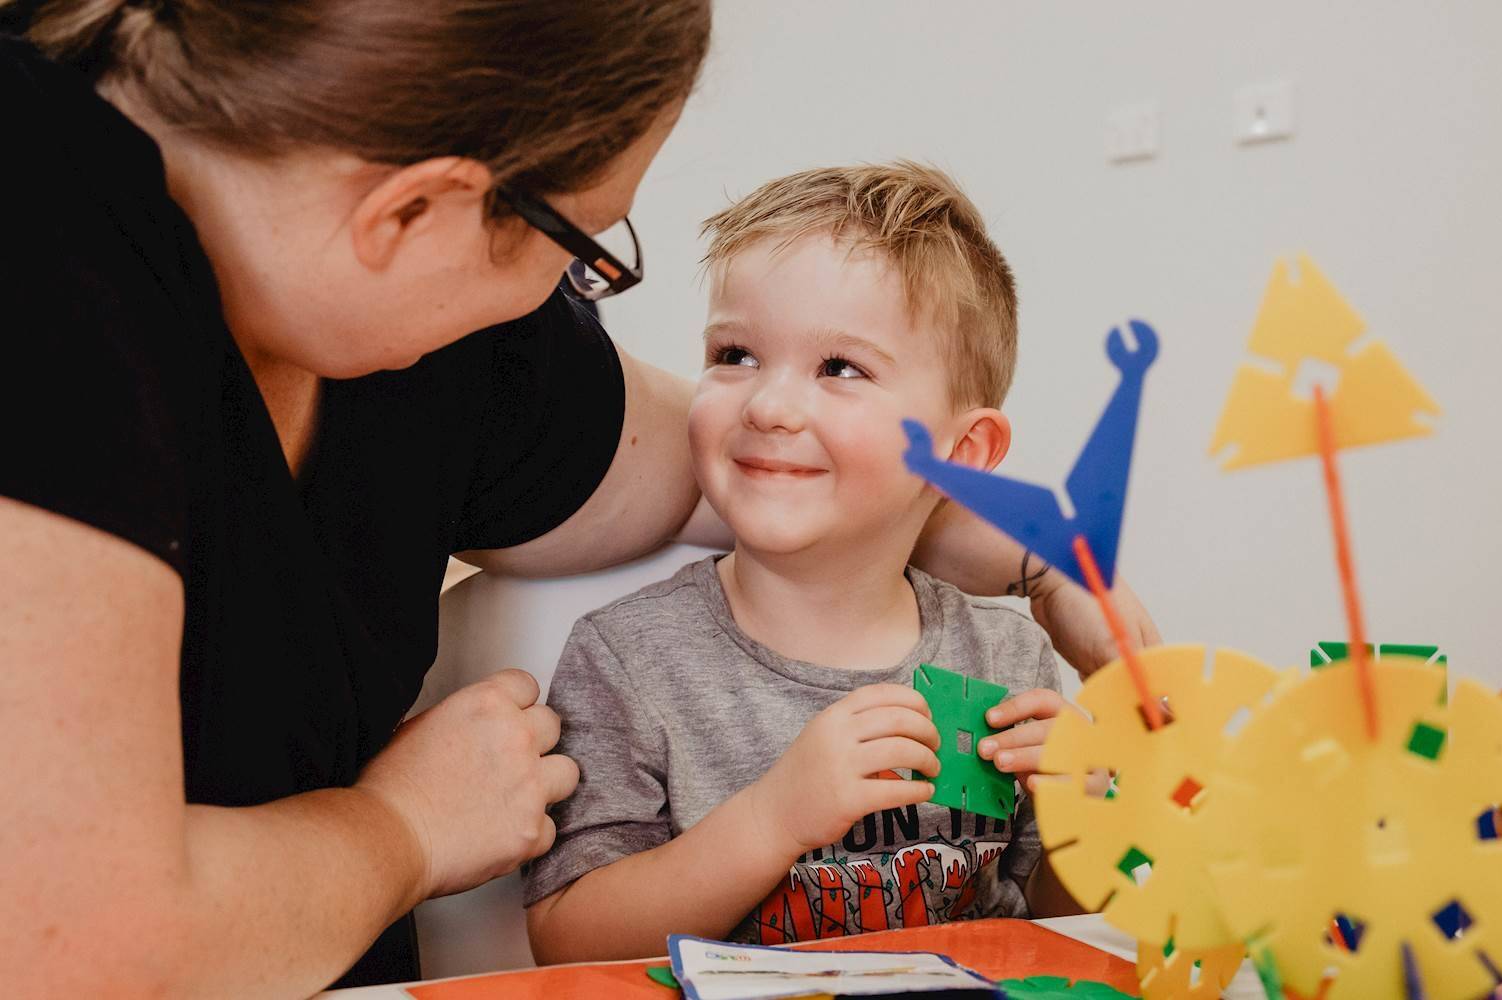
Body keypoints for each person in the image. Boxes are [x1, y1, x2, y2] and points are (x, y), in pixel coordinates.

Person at [0, 2, 1156, 993]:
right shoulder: (46, 248)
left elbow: (758, 474)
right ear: (412, 214)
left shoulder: (459, 361)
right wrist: (399, 831)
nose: (565, 294)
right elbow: (84, 946)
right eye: (580, 246)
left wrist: (1048, 570)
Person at [523, 164, 1085, 963]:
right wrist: (775, 818)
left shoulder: (1009, 659)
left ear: (961, 452)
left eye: (839, 368)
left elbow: (1043, 932)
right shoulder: (631, 659)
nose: (767, 405)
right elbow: (569, 944)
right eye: (736, 353)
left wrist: (1079, 832)